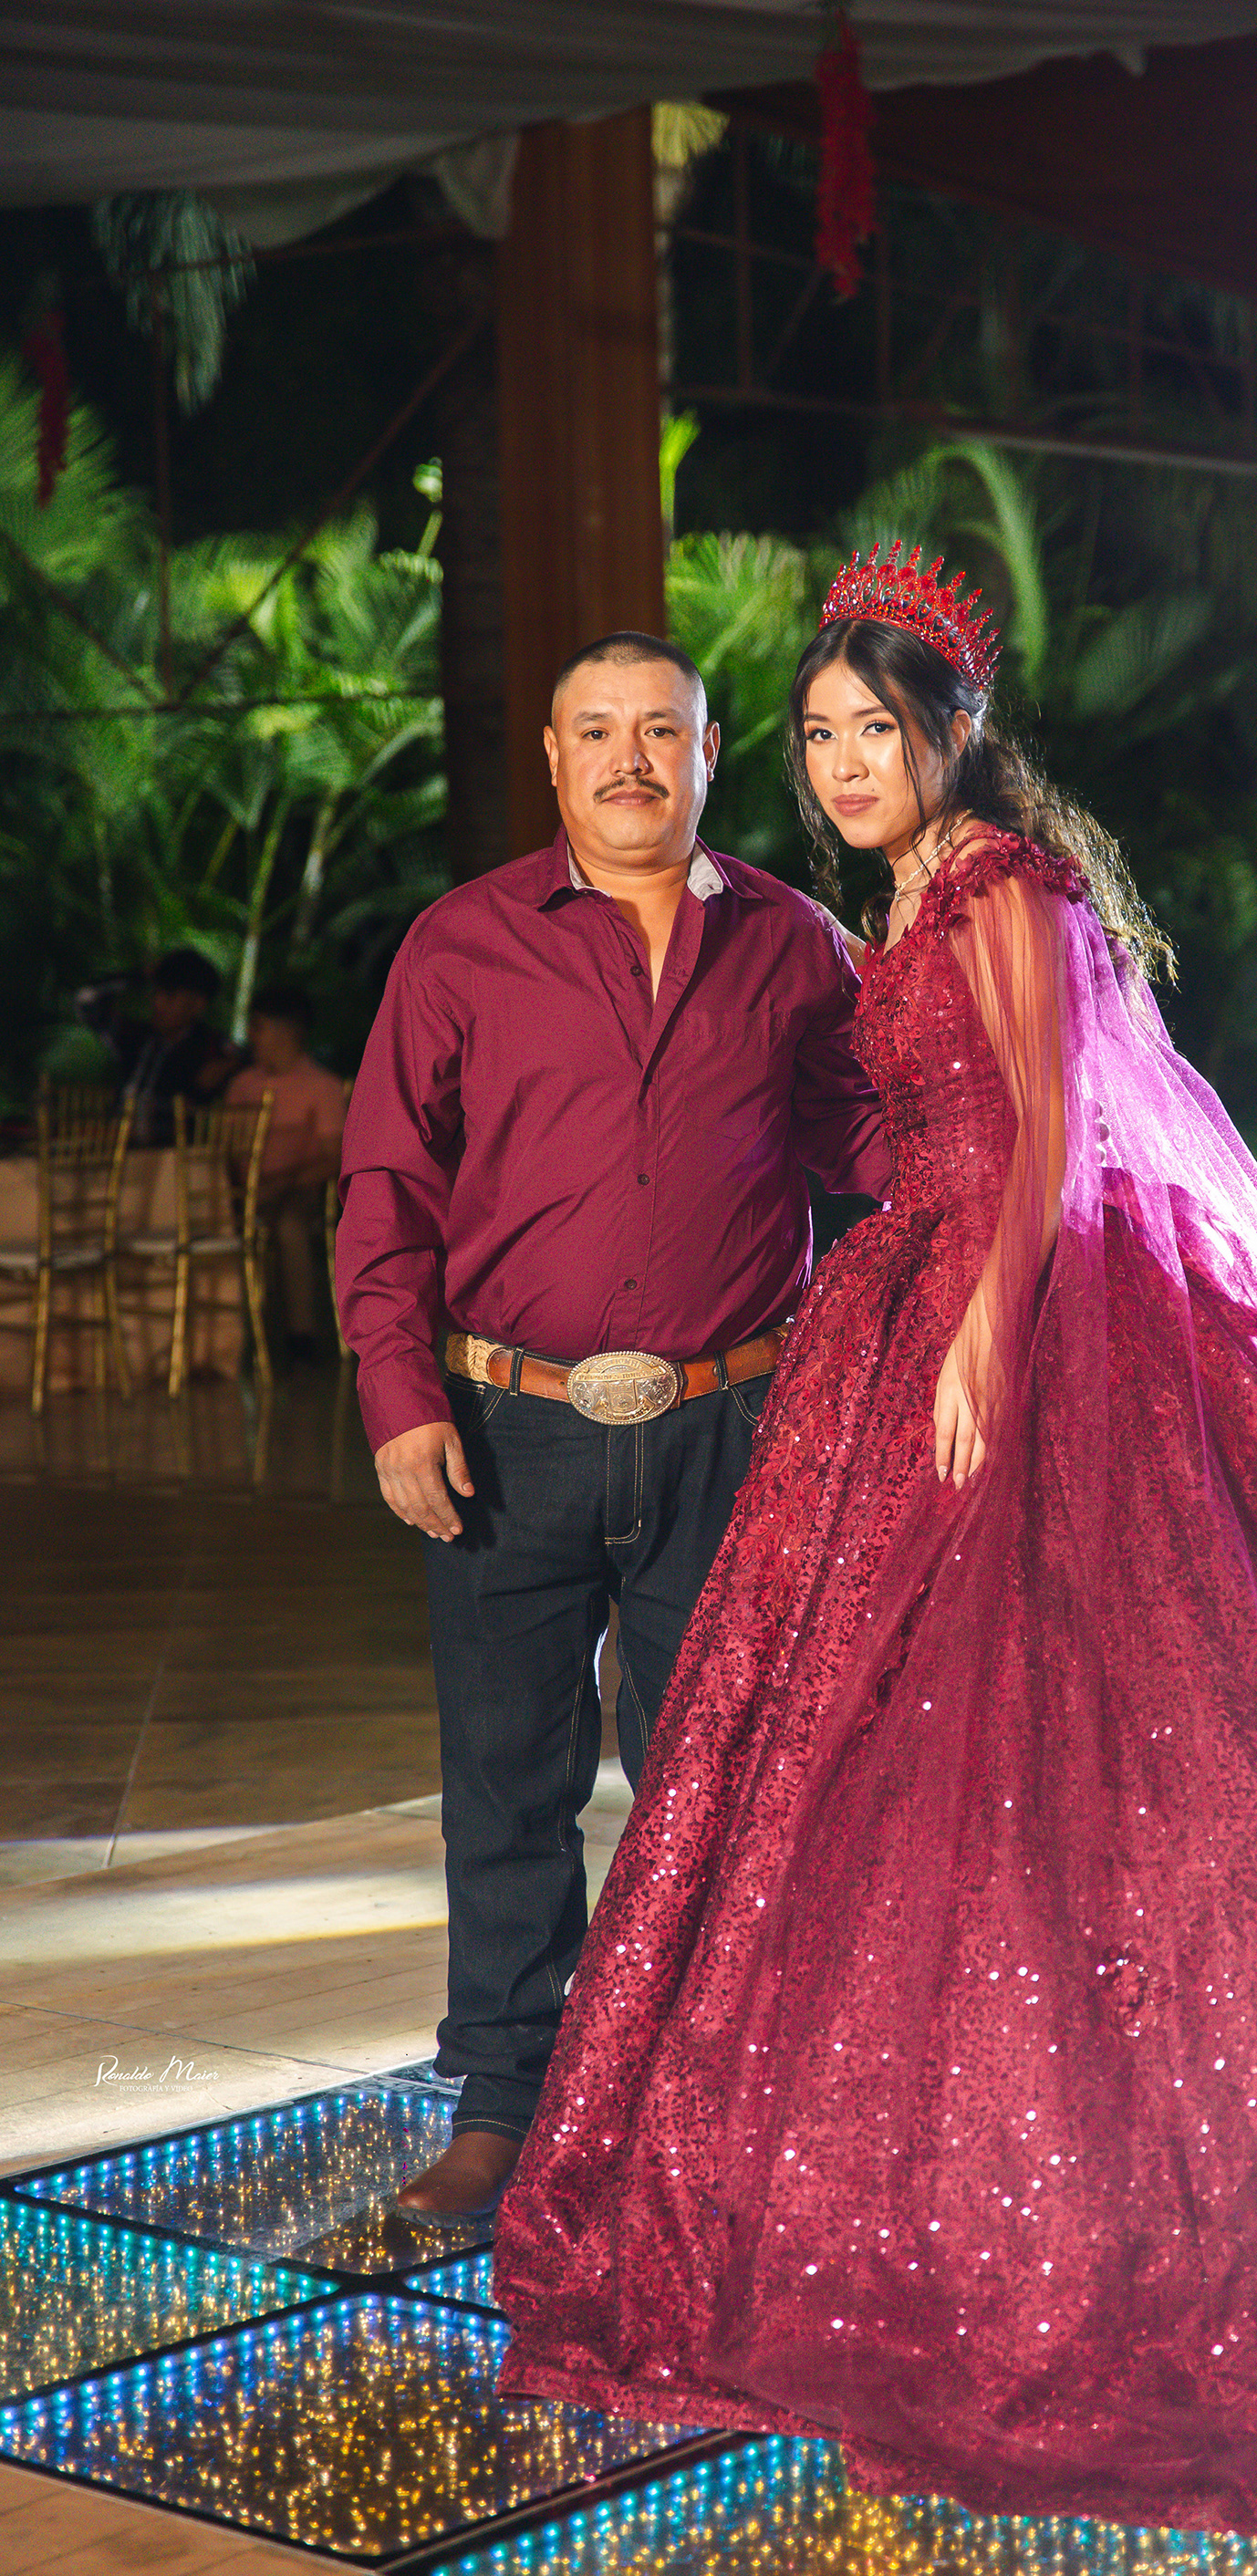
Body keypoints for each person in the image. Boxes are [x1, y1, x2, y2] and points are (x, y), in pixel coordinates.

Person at [494, 548, 1257, 2539]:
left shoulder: (1004, 885)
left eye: (874, 729)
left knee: (1117, 1696)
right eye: (818, 737)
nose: (843, 764)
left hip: (1023, 1304)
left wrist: (987, 1340)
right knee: (883, 1749)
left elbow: (1049, 1129)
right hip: (903, 1305)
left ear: (953, 731)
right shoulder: (897, 896)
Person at [335, 631, 888, 2222]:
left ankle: (696, 2101)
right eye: (598, 732)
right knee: (507, 1781)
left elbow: (872, 1145)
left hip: (734, 1432)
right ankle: (504, 2105)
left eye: (662, 731)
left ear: (710, 756)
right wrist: (397, 1399)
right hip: (506, 1430)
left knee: (716, 1782)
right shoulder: (462, 946)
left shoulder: (795, 947)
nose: (630, 760)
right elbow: (387, 1184)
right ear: (555, 758)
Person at [224, 984, 349, 1366]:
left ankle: (301, 1336)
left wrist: (283, 1182)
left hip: (299, 1189)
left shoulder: (321, 1086)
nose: (251, 1037)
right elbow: (226, 1149)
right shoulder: (243, 1084)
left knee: (289, 1224)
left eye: (258, 1027)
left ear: (287, 1030)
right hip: (244, 1191)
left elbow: (334, 1158)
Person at [77, 946, 237, 1145]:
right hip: (114, 1147)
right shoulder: (136, 1038)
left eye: (169, 996)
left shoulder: (212, 1046)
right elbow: (86, 1000)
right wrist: (140, 974)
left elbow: (249, 1059)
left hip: (171, 1155)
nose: (157, 1003)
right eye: (155, 993)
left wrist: (225, 1068)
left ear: (197, 1004)